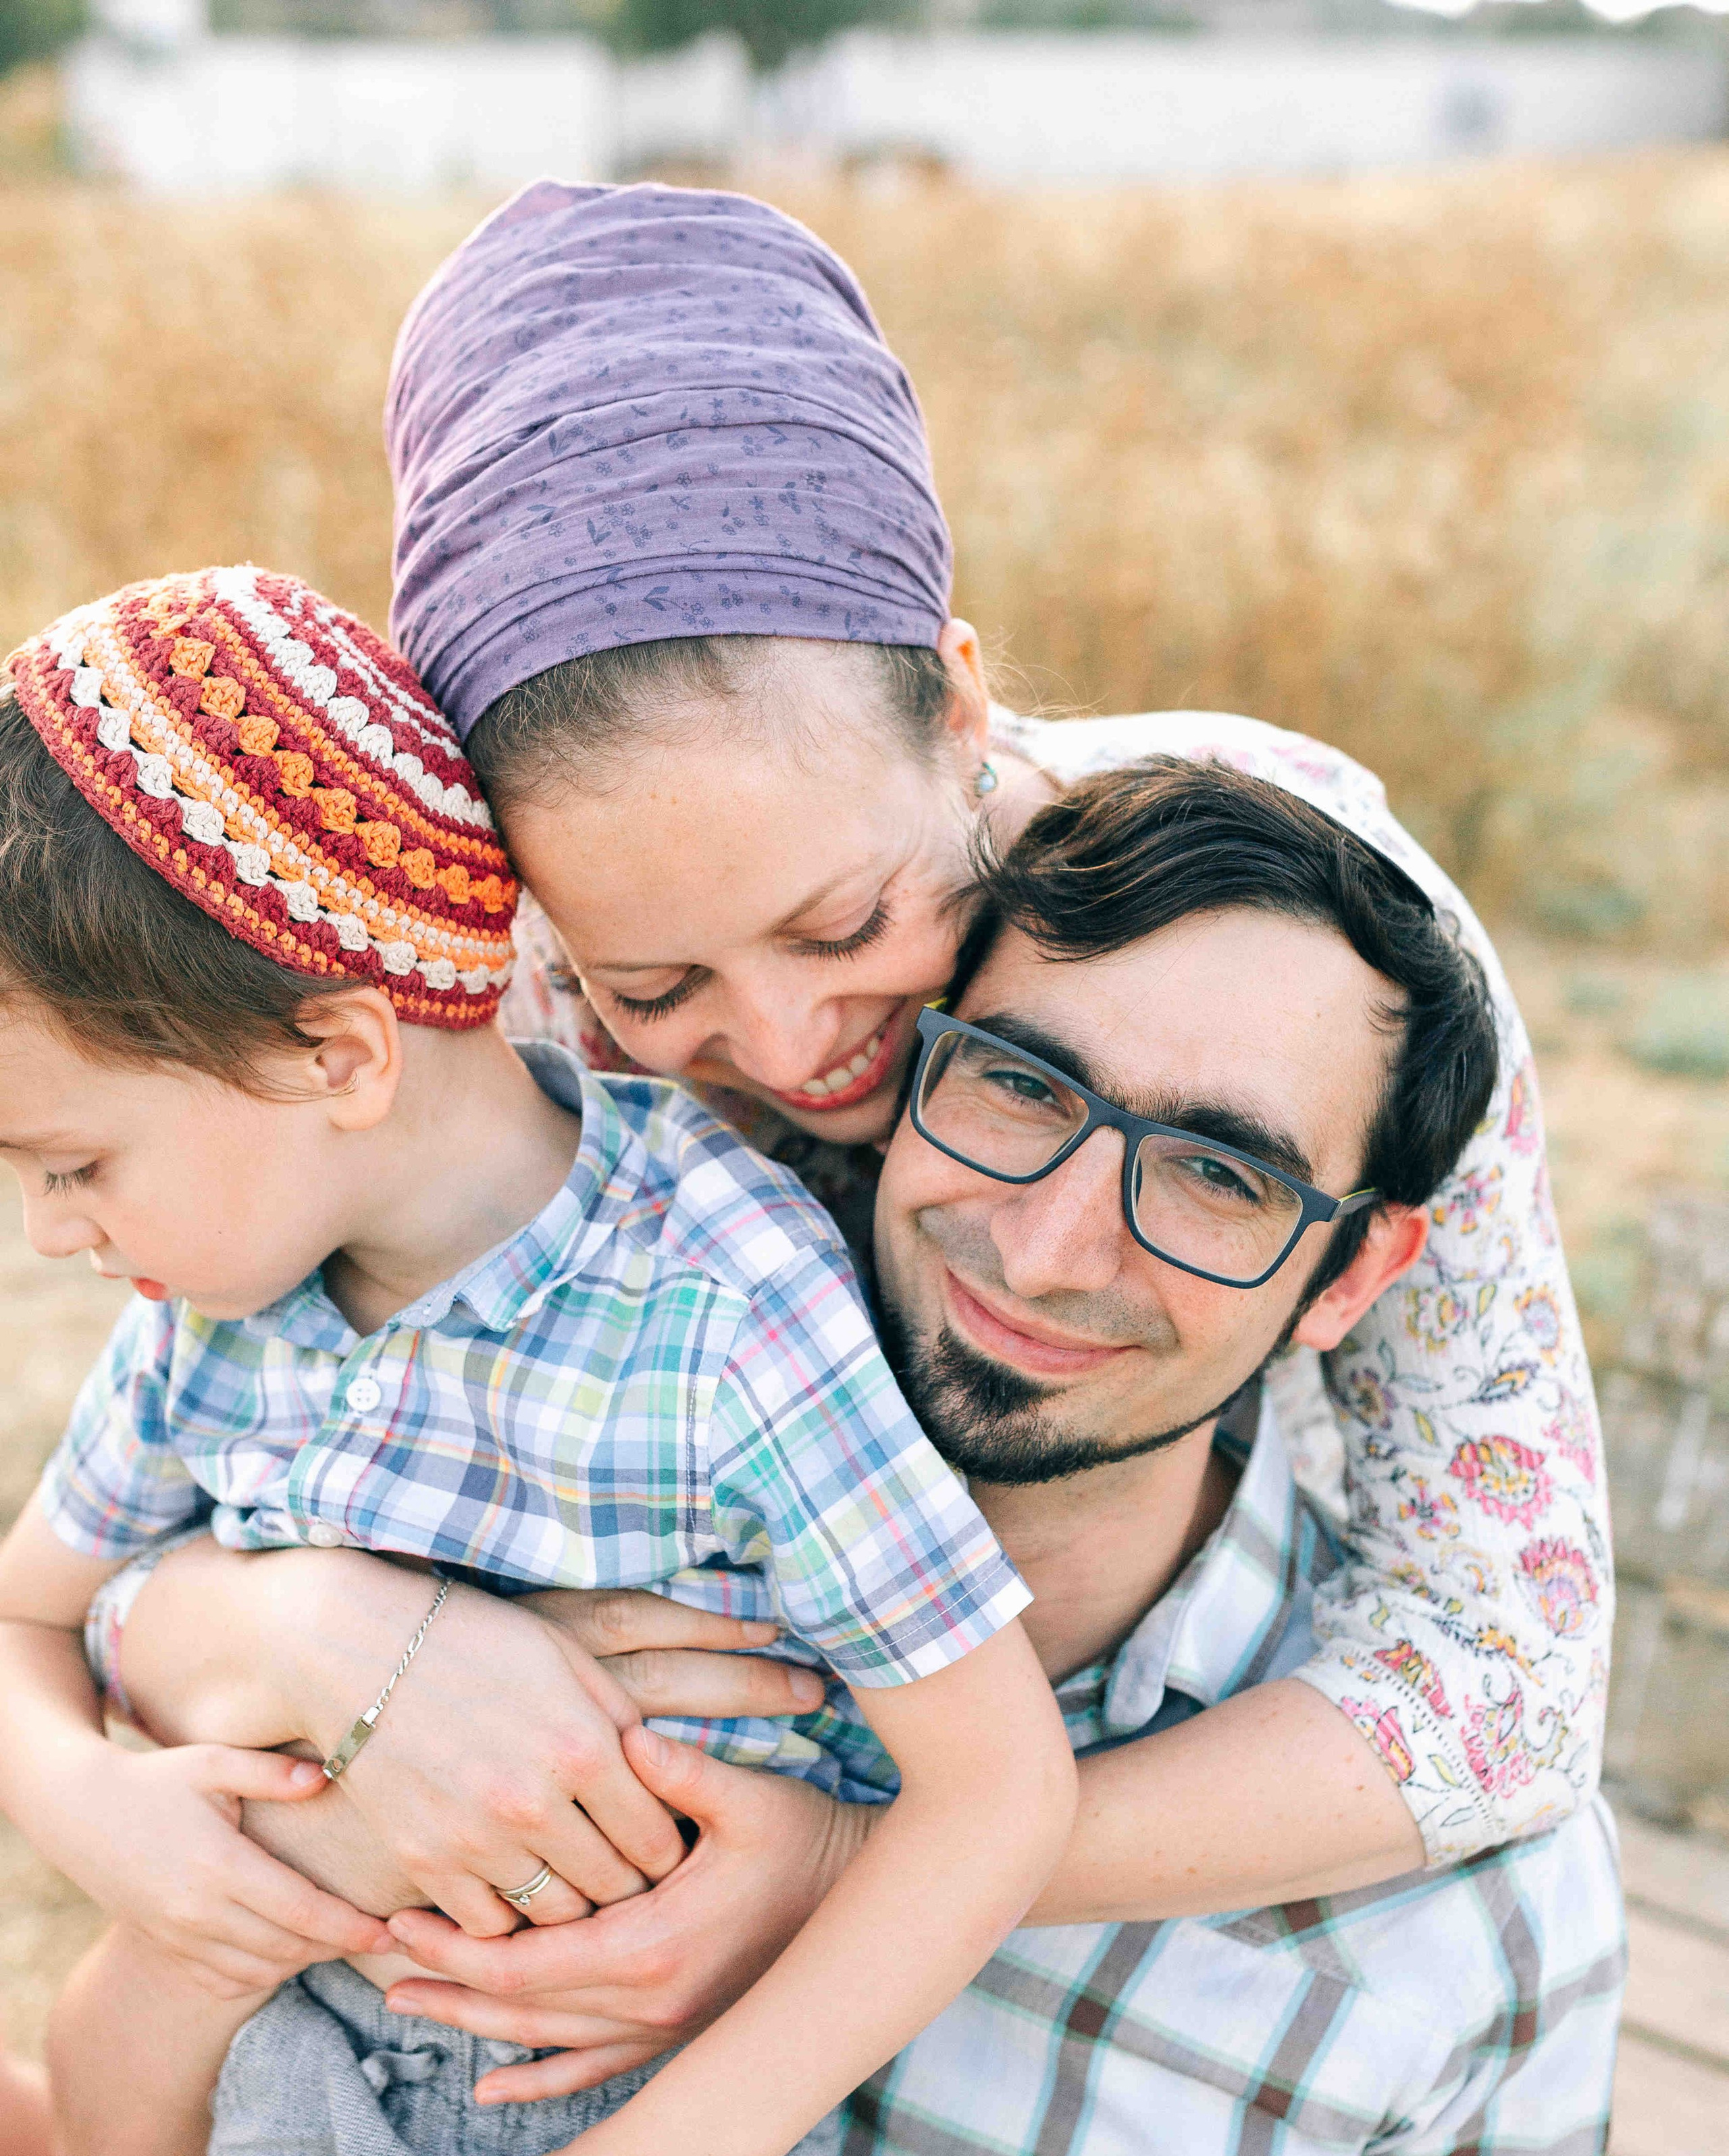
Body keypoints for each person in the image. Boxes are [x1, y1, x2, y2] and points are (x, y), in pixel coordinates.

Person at [54, 759, 1626, 2156]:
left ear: (1352, 1274)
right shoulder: (541, 1622)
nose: (1050, 1244)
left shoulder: (1463, 1883)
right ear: (895, 1079)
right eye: (1021, 1087)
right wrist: (285, 1651)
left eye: (1219, 1174)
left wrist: (831, 1872)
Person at [92, 183, 1609, 1993]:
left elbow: (1510, 1669)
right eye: (654, 986)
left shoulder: (1289, 924)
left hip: (1148, 1833)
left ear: (961, 708)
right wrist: (312, 1636)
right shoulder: (491, 1001)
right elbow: (185, 1473)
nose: (799, 1045)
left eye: (848, 920)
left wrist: (860, 1875)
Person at [0, 565, 1078, 2156]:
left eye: (75, 1162)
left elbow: (996, 1786)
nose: (58, 1226)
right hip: (310, 2116)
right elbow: (21, 1612)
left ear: (336, 1050)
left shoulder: (727, 1296)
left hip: (641, 2128)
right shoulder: (210, 1312)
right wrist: (100, 1817)